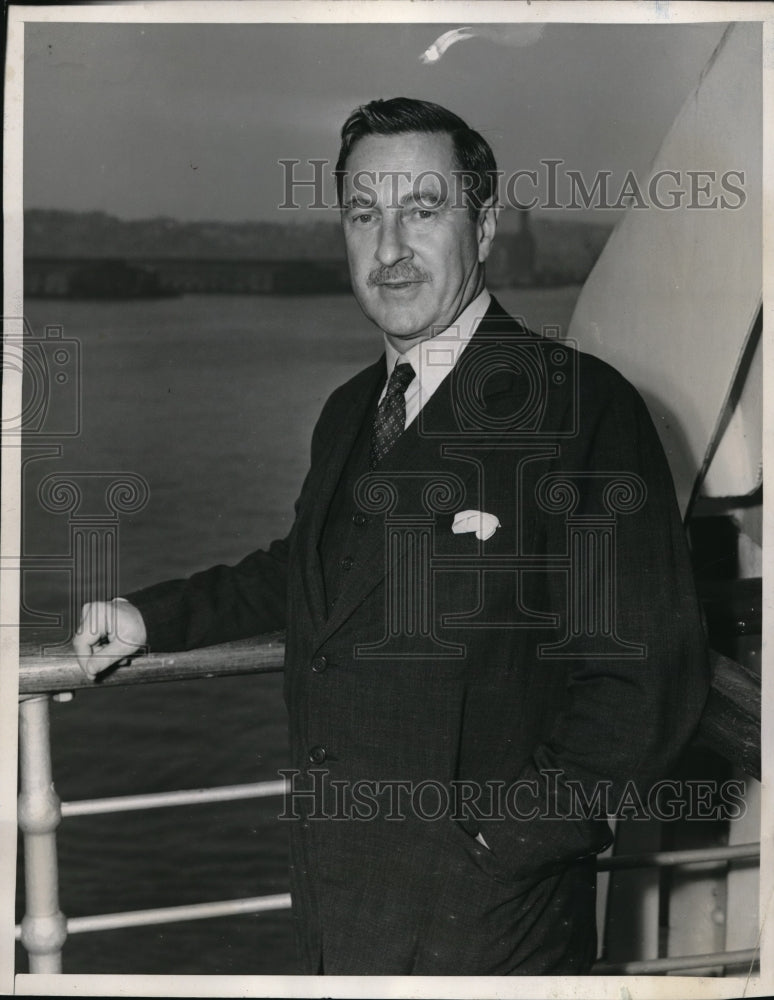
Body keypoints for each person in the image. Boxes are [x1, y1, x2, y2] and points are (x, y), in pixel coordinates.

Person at [73, 97, 709, 975]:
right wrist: (151, 617)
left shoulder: (580, 408)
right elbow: (316, 572)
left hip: (489, 924)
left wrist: (496, 850)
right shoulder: (349, 412)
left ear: (484, 226)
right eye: (364, 215)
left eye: (423, 209)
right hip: (342, 896)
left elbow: (643, 683)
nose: (389, 247)